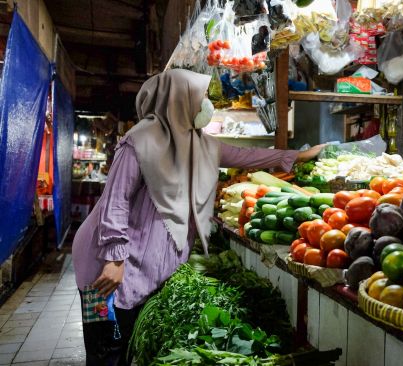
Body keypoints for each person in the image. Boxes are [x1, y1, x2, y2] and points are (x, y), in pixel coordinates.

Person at [72, 69, 323, 366]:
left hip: (143, 264)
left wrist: (297, 156)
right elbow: (115, 201)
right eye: (199, 97)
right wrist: (114, 258)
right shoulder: (139, 141)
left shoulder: (197, 144)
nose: (205, 104)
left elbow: (246, 157)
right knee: (107, 349)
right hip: (105, 263)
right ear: (177, 101)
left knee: (129, 346)